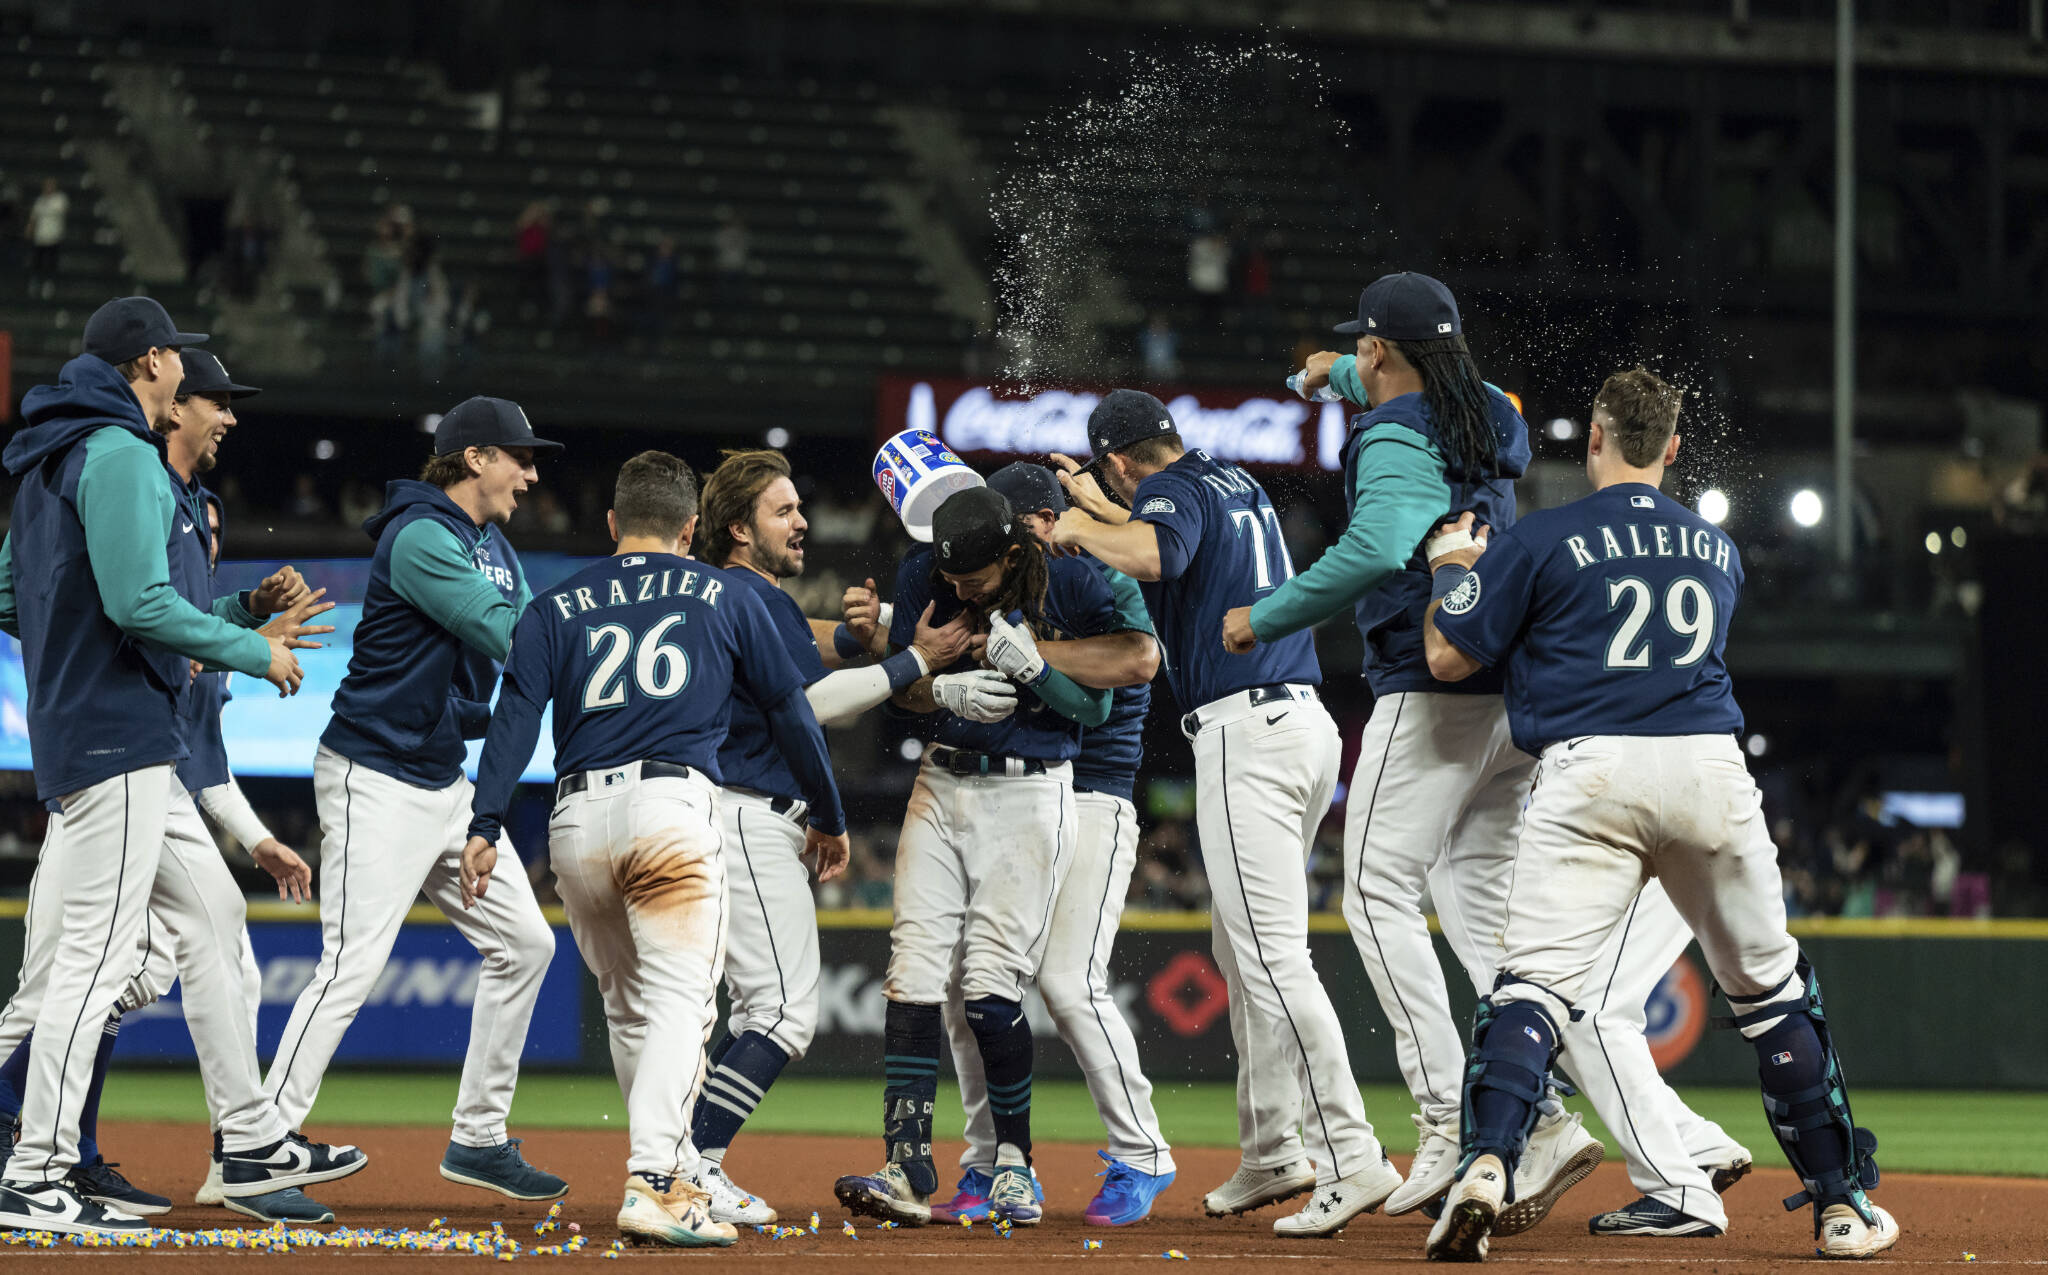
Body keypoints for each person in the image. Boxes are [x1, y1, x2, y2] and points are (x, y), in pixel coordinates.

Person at [1225, 273, 1738, 1233]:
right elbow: (1412, 383)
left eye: (1363, 350)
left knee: (1374, 891)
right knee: (1501, 931)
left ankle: (1457, 1120)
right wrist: (1330, 372)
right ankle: (1648, 1132)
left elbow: (1380, 544)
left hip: (1433, 691)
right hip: (1513, 692)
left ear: (1385, 352)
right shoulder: (1492, 411)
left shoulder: (1392, 433)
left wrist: (1271, 612)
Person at [1417, 368, 1899, 1261]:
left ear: (1593, 439)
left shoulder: (1547, 536)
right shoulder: (1719, 550)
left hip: (1592, 770)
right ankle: (1840, 1205)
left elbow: (1448, 654)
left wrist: (1454, 567)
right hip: (1711, 766)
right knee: (1772, 993)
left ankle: (1486, 1164)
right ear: (1673, 449)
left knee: (1531, 989)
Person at [0, 298, 359, 1236]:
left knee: (214, 915)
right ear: (154, 361)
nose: (212, 402)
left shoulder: (51, 455)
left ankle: (248, 1138)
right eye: (181, 370)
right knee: (90, 962)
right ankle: (33, 1171)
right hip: (117, 737)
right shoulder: (118, 451)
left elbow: (12, 594)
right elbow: (138, 603)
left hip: (111, 736)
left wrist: (74, 649)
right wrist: (253, 649)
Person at [460, 451, 848, 1249]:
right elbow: (790, 714)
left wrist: (485, 824)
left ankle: (668, 1171)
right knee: (684, 1005)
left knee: (630, 1010)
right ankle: (658, 1179)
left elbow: (515, 720)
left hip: (574, 822)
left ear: (611, 525)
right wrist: (831, 815)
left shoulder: (555, 603)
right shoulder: (722, 590)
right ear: (692, 527)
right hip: (671, 808)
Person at [1048, 389, 1400, 1239]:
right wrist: (1101, 507)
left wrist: (1079, 528)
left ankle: (1352, 1153)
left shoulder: (1167, 491)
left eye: (1110, 475)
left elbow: (1161, 553)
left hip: (1249, 730)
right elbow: (1173, 534)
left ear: (1123, 460)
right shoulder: (1229, 478)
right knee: (1240, 951)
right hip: (1301, 725)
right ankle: (1274, 1147)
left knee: (1272, 957)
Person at [263, 396, 566, 1203]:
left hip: (438, 776)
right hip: (373, 772)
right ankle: (260, 1146)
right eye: (519, 456)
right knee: (352, 964)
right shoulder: (424, 534)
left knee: (526, 944)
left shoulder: (493, 543)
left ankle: (477, 1137)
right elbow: (513, 636)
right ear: (474, 458)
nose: (531, 473)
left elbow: (511, 660)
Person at [684, 448, 972, 1224]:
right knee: (780, 1013)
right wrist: (914, 655)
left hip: (712, 807)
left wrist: (864, 635)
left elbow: (805, 644)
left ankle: (677, 1157)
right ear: (740, 529)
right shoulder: (749, 592)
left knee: (730, 1011)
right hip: (748, 809)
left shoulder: (731, 593)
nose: (803, 520)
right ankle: (693, 1161)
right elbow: (809, 703)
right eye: (783, 510)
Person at [832, 485, 1133, 1228]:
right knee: (911, 972)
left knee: (993, 988)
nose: (958, 590)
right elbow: (905, 693)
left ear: (1012, 553)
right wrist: (940, 692)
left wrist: (1037, 671)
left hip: (1032, 792)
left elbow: (1098, 708)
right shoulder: (923, 571)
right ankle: (906, 1163)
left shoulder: (1071, 577)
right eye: (950, 576)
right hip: (943, 775)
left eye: (973, 579)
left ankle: (1014, 1164)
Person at [933, 461, 1177, 1227]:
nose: (1019, 540)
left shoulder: (1098, 571)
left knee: (1068, 982)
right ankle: (987, 1163)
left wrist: (1031, 658)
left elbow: (1140, 659)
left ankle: (1144, 1153)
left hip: (1096, 795)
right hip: (1017, 796)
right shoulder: (1018, 587)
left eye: (1022, 524)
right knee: (967, 988)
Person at [25, 178, 66, 285]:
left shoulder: (60, 199)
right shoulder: (40, 200)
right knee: (37, 262)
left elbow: (59, 212)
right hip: (40, 237)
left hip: (54, 236)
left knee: (52, 263)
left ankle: (49, 284)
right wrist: (30, 229)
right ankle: (34, 283)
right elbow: (34, 217)